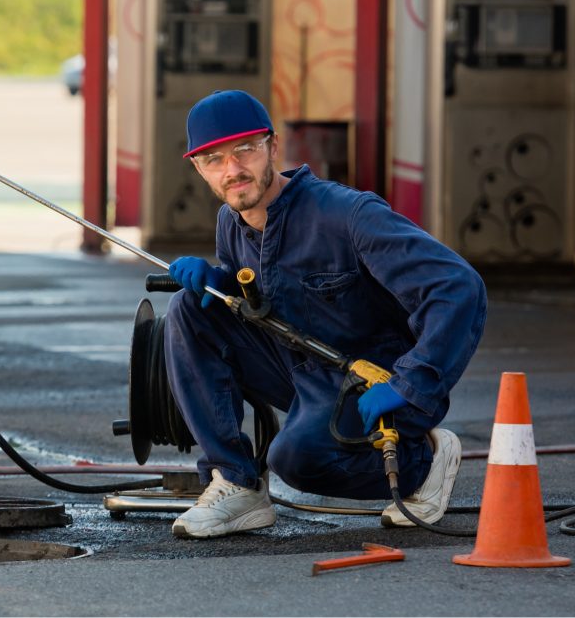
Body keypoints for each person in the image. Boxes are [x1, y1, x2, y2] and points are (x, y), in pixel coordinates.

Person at [164, 90, 487, 539]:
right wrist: (219, 284)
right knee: (189, 309)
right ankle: (237, 483)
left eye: (245, 150)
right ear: (199, 169)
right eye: (214, 159)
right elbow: (258, 306)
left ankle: (422, 462)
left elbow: (458, 287)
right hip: (302, 376)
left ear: (273, 147)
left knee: (295, 459)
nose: (232, 170)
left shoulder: (348, 214)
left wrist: (412, 385)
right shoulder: (230, 222)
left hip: (372, 383)